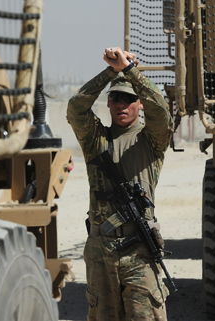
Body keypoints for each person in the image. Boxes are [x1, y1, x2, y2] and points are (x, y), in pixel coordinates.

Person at [67, 46, 173, 320]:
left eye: (128, 100)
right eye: (116, 99)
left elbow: (160, 111)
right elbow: (77, 108)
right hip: (101, 249)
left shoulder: (151, 139)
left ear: (139, 104)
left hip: (139, 249)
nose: (122, 105)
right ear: (109, 103)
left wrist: (129, 71)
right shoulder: (96, 140)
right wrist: (109, 72)